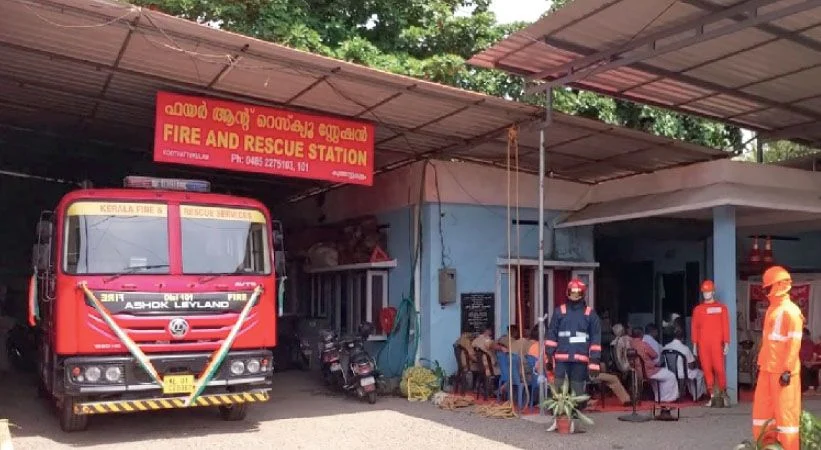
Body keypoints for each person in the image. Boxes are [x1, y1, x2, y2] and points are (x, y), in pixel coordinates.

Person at [752, 266, 803, 450]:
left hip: (782, 373)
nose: (766, 291)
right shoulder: (772, 310)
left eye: (768, 287)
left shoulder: (791, 311)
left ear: (779, 286)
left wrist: (787, 370)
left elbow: (794, 343)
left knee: (786, 419)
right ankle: (765, 446)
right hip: (767, 368)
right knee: (762, 415)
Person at [545, 279, 602, 404]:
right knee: (558, 390)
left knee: (577, 391)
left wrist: (594, 361)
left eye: (577, 293)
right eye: (572, 292)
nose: (574, 295)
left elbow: (595, 339)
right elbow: (551, 335)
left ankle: (575, 417)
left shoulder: (590, 314)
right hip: (561, 360)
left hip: (580, 360)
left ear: (583, 294)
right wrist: (549, 356)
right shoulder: (559, 311)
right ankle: (560, 417)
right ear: (567, 292)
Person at [691, 279, 731, 407]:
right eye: (704, 292)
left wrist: (726, 342)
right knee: (707, 369)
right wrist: (694, 344)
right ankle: (713, 396)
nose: (706, 294)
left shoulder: (721, 308)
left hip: (716, 344)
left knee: (719, 369)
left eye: (708, 291)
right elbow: (695, 327)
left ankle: (724, 394)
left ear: (713, 292)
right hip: (703, 345)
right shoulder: (698, 309)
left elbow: (726, 326)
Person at [631, 327, 679, 402]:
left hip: (637, 371)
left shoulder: (631, 344)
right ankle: (668, 398)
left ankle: (658, 397)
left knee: (658, 379)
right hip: (648, 371)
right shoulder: (643, 344)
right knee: (671, 375)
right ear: (641, 335)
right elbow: (655, 355)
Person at [663, 326, 707, 401]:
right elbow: (691, 366)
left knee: (692, 373)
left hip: (669, 372)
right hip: (683, 373)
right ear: (682, 338)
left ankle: (689, 393)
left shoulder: (666, 347)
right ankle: (696, 396)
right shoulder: (685, 348)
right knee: (700, 373)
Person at [799, 328, 819, 393]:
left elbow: (814, 355)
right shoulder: (798, 344)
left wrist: (811, 362)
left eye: (805, 335)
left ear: (808, 335)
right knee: (803, 369)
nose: (803, 337)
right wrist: (804, 362)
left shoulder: (812, 344)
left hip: (810, 363)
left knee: (814, 369)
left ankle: (813, 388)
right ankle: (805, 389)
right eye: (802, 335)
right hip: (801, 363)